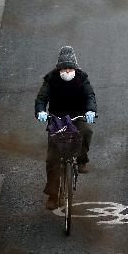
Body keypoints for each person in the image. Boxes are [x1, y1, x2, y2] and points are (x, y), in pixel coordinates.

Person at [35, 46, 97, 210]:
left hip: (78, 116)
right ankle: (53, 195)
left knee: (87, 131)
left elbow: (90, 95)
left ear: (75, 68)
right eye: (64, 68)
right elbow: (42, 98)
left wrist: (91, 110)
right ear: (59, 68)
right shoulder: (51, 79)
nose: (67, 71)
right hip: (57, 119)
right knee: (53, 159)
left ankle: (82, 160)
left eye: (70, 68)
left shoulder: (82, 78)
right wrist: (40, 111)